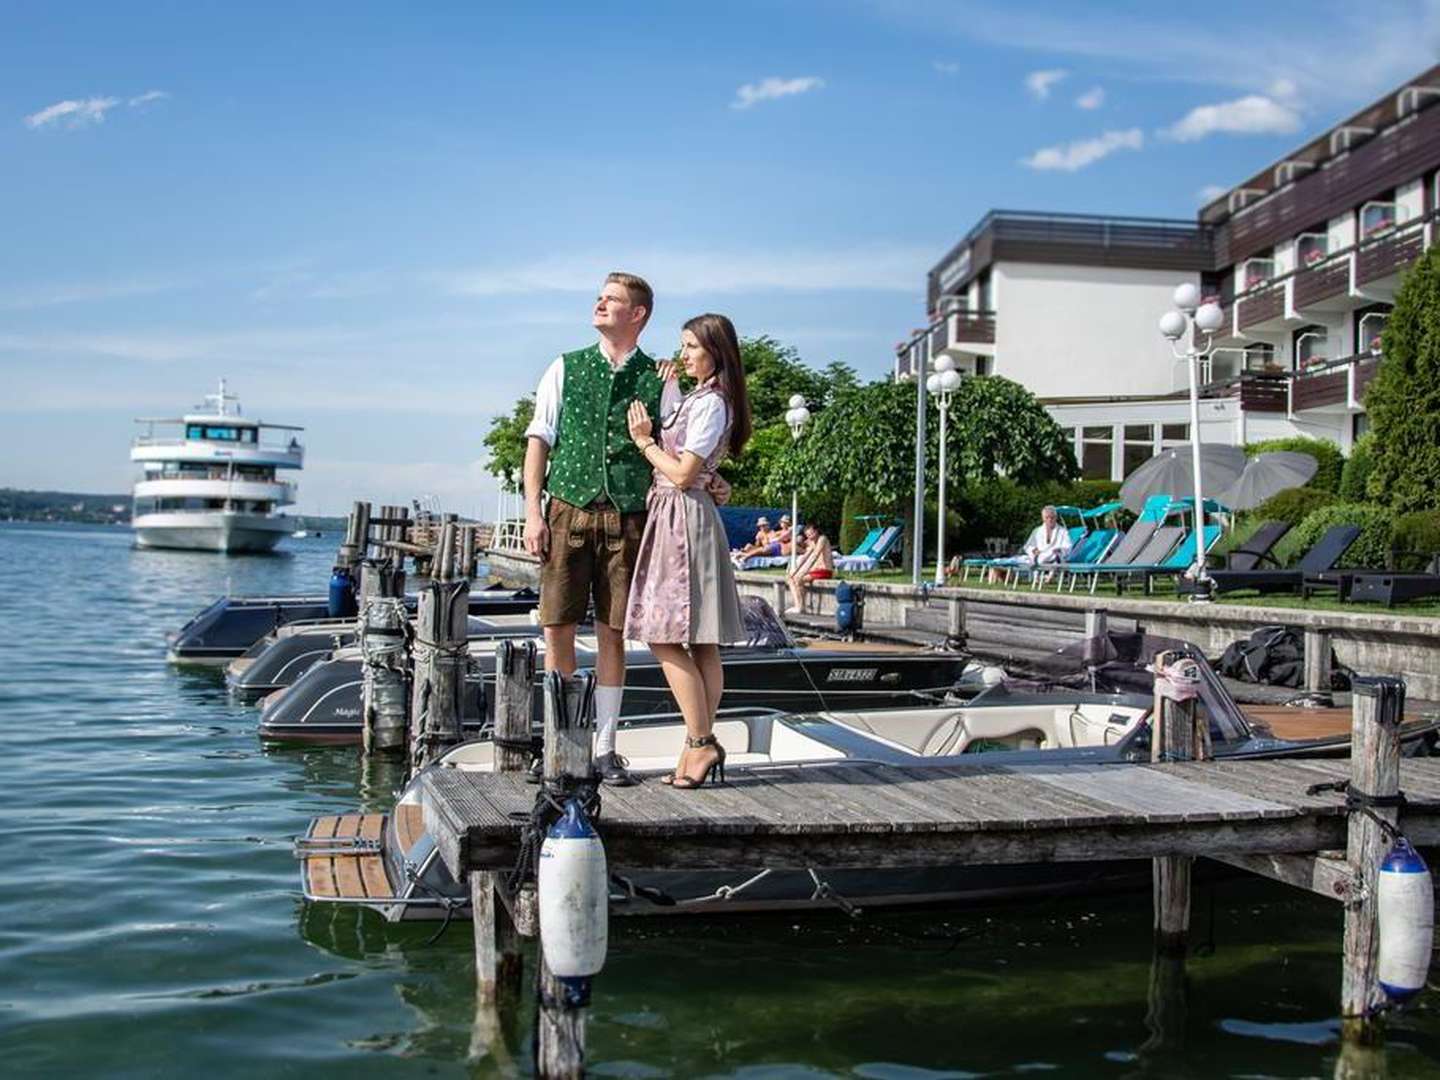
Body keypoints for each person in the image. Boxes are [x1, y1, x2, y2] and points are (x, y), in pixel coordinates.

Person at [523, 272, 664, 786]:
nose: (600, 303)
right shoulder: (565, 367)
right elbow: (539, 439)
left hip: (629, 516)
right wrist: (533, 512)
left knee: (614, 632)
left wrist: (711, 481)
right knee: (556, 626)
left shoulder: (660, 376)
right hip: (567, 509)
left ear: (638, 314)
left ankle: (605, 748)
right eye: (600, 297)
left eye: (612, 299)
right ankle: (562, 741)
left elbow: (673, 451)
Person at [625, 313, 752, 790]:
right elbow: (693, 464)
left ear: (716, 352)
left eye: (692, 347)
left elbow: (680, 472)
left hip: (683, 516)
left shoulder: (713, 404)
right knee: (699, 641)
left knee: (665, 634)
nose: (683, 354)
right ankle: (695, 745)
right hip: (683, 513)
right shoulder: (702, 398)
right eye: (682, 346)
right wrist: (671, 384)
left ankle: (701, 744)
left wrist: (644, 443)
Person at [984, 505, 1072, 583]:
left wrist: (1059, 549)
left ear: (1056, 517)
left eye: (1052, 517)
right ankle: (997, 567)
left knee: (1052, 557)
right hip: (1037, 557)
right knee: (1010, 561)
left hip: (1052, 558)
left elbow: (1068, 546)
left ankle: (1045, 578)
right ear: (1043, 518)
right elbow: (1028, 546)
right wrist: (1033, 550)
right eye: (1047, 517)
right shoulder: (1037, 531)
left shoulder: (1062, 531)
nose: (1049, 520)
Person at [786, 522, 833, 612]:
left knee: (798, 579)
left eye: (812, 533)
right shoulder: (812, 542)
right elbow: (805, 557)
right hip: (815, 571)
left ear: (817, 531)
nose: (810, 536)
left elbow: (815, 556)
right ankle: (798, 605)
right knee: (790, 578)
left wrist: (803, 572)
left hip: (825, 570)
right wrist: (795, 570)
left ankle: (800, 607)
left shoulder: (822, 539)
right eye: (808, 535)